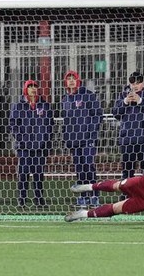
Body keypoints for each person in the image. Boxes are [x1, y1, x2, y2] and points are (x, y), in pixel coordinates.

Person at [60, 70, 103, 207]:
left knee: (88, 166)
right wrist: (66, 137)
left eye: (73, 78)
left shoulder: (88, 95)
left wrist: (91, 134)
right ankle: (83, 197)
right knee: (79, 169)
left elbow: (97, 115)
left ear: (78, 80)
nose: (71, 81)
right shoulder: (65, 99)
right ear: (65, 82)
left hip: (88, 139)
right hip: (74, 140)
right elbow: (66, 120)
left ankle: (94, 196)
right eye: (69, 79)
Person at [9, 79, 53, 208]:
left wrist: (45, 140)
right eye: (30, 86)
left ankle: (39, 199)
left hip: (40, 147)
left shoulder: (45, 105)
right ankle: (21, 200)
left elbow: (50, 124)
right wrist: (21, 139)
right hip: (24, 147)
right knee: (23, 174)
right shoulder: (18, 106)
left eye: (35, 86)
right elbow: (13, 125)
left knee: (38, 174)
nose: (33, 89)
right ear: (25, 89)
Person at [112, 71, 144, 180]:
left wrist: (140, 101)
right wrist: (125, 101)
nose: (135, 86)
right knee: (127, 172)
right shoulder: (122, 95)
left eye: (138, 83)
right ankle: (127, 190)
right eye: (132, 83)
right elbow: (116, 113)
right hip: (127, 139)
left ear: (143, 84)